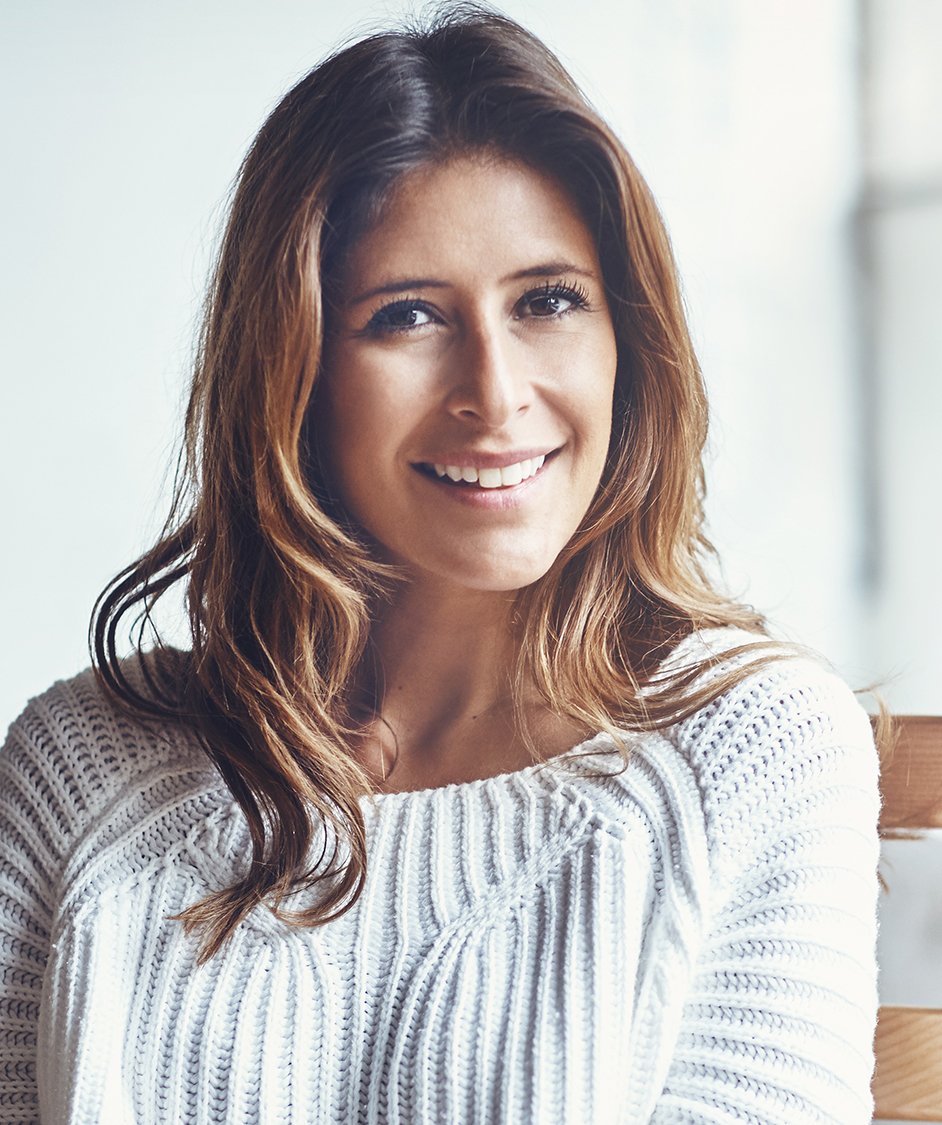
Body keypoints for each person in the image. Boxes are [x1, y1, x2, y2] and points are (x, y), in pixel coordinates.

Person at [0, 6, 880, 1123]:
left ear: (630, 342)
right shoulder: (77, 771)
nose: (496, 393)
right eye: (407, 316)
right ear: (293, 373)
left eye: (548, 301)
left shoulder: (750, 751)